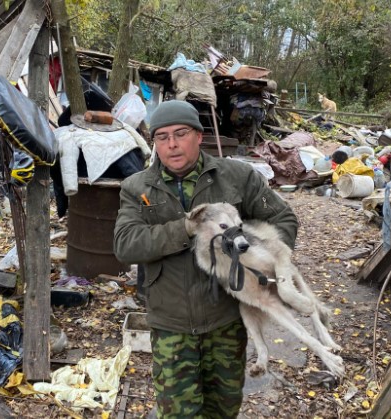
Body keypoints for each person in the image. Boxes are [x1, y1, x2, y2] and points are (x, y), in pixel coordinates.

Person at [113, 100, 298, 418]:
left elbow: (283, 220)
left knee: (223, 409)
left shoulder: (237, 177)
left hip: (224, 320)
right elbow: (126, 245)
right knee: (178, 413)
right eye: (162, 137)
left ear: (199, 136)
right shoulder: (137, 188)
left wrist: (255, 256)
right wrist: (185, 228)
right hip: (171, 324)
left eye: (181, 133)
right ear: (154, 142)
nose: (171, 144)